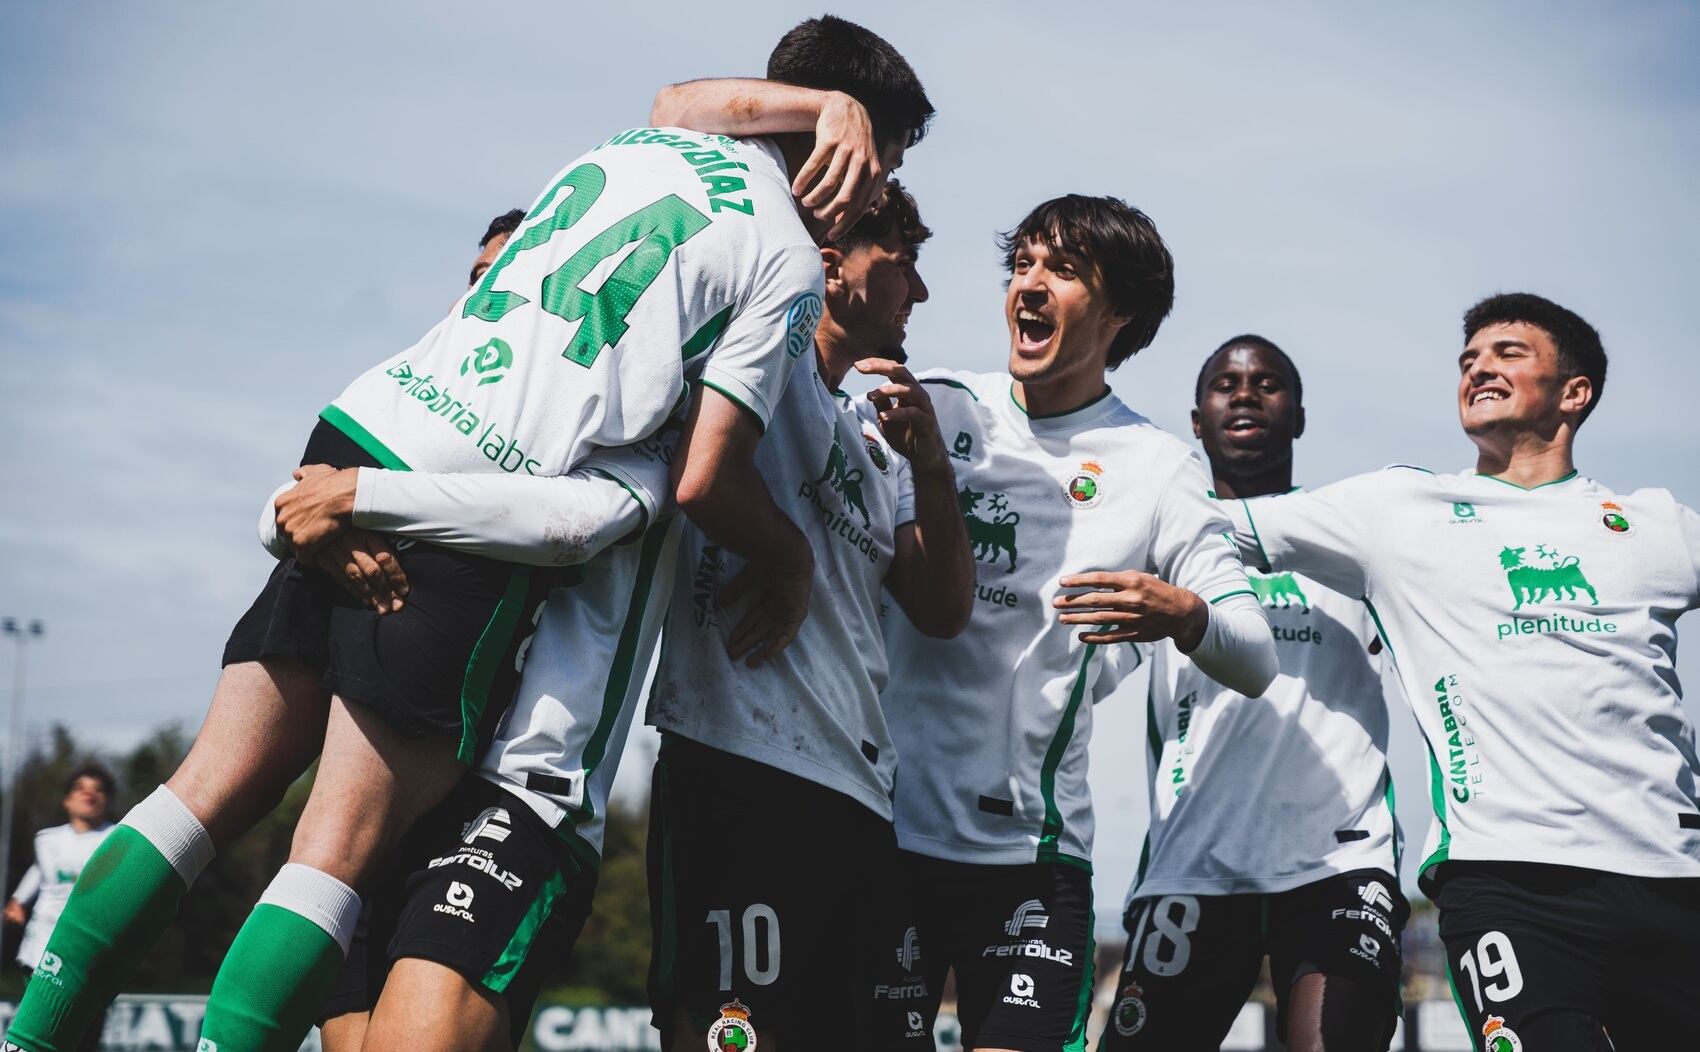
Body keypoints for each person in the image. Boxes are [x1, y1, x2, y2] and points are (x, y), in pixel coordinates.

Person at [2, 16, 933, 1052]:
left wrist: (331, 496)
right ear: (848, 147)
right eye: (883, 165)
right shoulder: (770, 268)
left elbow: (678, 99)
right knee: (331, 850)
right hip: (480, 508)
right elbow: (698, 478)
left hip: (370, 423)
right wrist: (788, 553)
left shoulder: (631, 150)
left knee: (200, 794)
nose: (877, 189)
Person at [1220, 293, 1700, 1048]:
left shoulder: (1655, 525)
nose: (1478, 367)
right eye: (1468, 360)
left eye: (1508, 353)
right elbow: (1210, 524)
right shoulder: (1399, 508)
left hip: (1674, 876)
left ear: (1575, 393)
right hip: (1509, 881)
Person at [868, 196, 1278, 1052]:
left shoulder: (1160, 467)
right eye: (1021, 264)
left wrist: (1183, 612)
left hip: (1032, 860)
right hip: (884, 834)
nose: (1029, 285)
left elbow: (1254, 658)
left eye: (1061, 270)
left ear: (1119, 312)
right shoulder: (936, 408)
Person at [643, 180, 972, 1051]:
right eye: (905, 266)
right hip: (737, 761)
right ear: (833, 267)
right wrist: (787, 554)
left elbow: (940, 610)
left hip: (860, 791)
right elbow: (702, 478)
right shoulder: (753, 371)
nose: (922, 293)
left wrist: (933, 470)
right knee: (731, 1033)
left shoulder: (873, 431)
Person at [1100, 336, 1406, 1052]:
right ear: (1196, 421)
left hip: (1338, 862)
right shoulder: (1163, 548)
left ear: (1299, 417)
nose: (1245, 394)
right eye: (1226, 385)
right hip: (1196, 864)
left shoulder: (1357, 547)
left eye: (1268, 384)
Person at [3, 768, 115, 1052]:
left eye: (97, 788)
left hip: (93, 953)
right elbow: (40, 871)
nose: (88, 792)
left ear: (107, 799)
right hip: (43, 948)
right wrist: (17, 901)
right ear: (66, 800)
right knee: (40, 1032)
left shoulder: (118, 839)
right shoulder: (47, 840)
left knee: (84, 1037)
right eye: (80, 787)